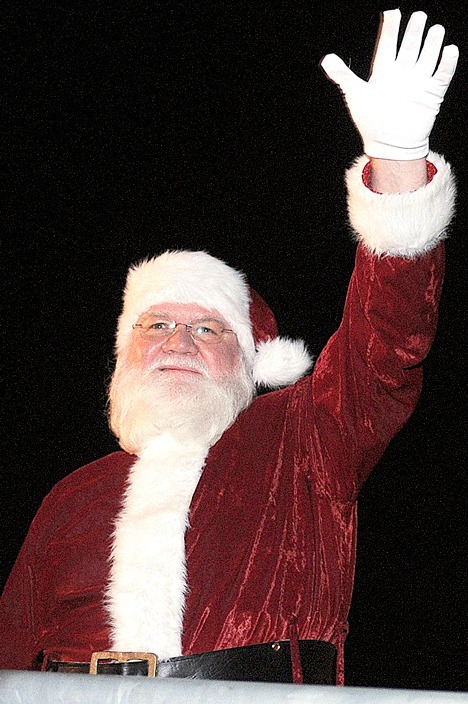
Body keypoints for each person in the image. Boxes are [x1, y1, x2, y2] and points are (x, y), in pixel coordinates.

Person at [0, 9, 459, 685]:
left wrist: (396, 166)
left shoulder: (302, 443)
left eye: (207, 328)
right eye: (155, 325)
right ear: (124, 357)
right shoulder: (70, 499)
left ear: (248, 365)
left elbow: (386, 344)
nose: (178, 340)